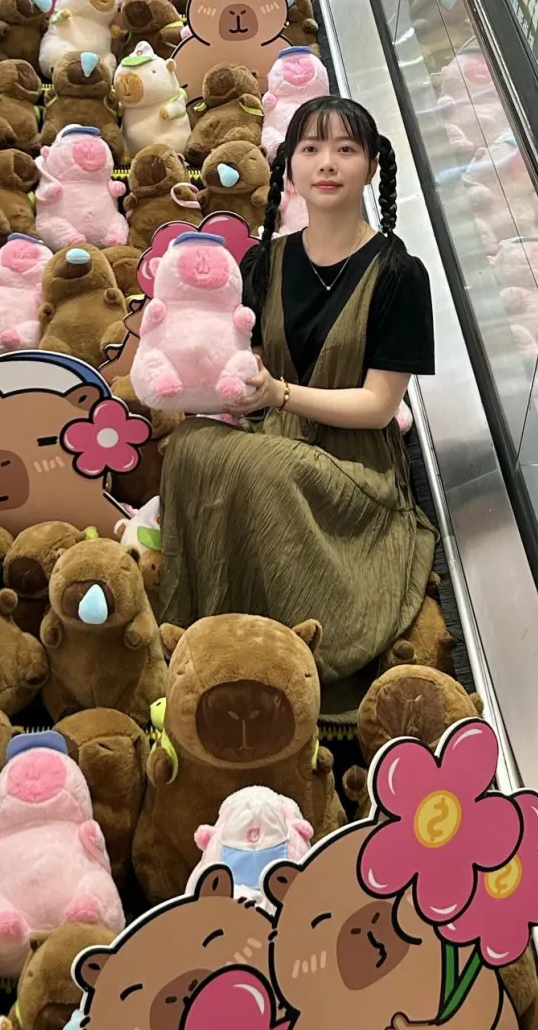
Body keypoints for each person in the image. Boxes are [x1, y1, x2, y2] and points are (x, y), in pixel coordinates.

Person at [158, 95, 437, 692]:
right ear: (290, 166)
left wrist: (280, 395)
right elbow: (251, 364)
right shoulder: (266, 261)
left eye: (346, 148)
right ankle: (208, 641)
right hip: (272, 439)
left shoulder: (399, 274)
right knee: (189, 446)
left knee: (263, 469)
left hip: (355, 464)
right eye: (310, 148)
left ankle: (286, 657)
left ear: (371, 166)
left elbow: (379, 406)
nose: (327, 162)